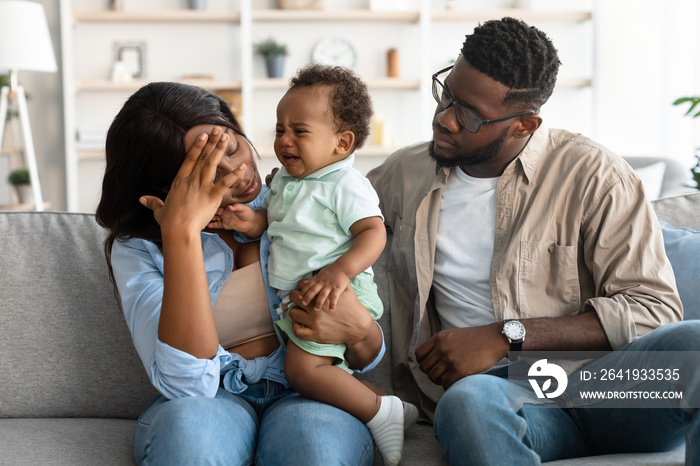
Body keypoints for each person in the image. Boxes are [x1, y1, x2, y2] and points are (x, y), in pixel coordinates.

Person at [367, 17, 700, 465]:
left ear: (525, 124)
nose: (444, 119)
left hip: (606, 389)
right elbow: (332, 208)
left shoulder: (596, 175)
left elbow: (652, 310)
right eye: (447, 93)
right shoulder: (404, 173)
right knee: (467, 404)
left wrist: (506, 336)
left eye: (468, 114)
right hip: (498, 397)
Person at [95, 81, 388, 465]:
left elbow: (366, 356)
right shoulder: (139, 249)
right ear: (167, 186)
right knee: (190, 446)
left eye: (232, 147)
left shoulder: (294, 200)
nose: (238, 171)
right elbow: (186, 384)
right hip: (213, 397)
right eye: (210, 170)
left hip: (308, 387)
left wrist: (362, 330)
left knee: (317, 452)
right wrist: (181, 233)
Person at [214, 64, 416, 466]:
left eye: (299, 131)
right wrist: (249, 222)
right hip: (302, 294)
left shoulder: (345, 184)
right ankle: (377, 403)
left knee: (303, 371)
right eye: (278, 130)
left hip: (335, 291)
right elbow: (274, 224)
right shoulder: (286, 183)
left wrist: (339, 273)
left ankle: (381, 411)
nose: (284, 140)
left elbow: (373, 233)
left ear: (342, 143)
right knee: (309, 367)